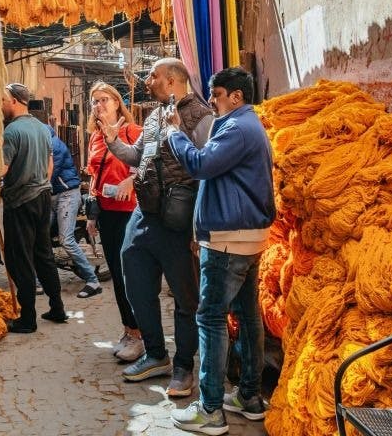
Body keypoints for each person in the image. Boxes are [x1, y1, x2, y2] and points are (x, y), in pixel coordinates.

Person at [165, 67, 275, 434]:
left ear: (236, 97)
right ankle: (250, 397)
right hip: (245, 236)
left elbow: (201, 164)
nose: (211, 101)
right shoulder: (245, 125)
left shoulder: (237, 128)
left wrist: (174, 133)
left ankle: (210, 409)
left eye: (217, 94)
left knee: (210, 318)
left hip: (229, 238)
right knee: (247, 315)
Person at [99, 58, 214, 398]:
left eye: (153, 75)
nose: (147, 81)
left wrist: (198, 229)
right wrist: (111, 141)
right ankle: (155, 355)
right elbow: (137, 157)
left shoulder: (201, 116)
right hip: (145, 214)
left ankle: (183, 368)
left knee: (185, 298)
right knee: (133, 279)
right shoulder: (152, 116)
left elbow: (209, 170)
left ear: (174, 81)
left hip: (179, 220)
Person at [1, 82, 67, 333]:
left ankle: (27, 318)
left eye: (3, 100)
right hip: (42, 197)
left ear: (15, 101)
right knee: (44, 255)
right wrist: (42, 183)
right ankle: (57, 307)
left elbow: (1, 168)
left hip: (20, 201)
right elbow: (50, 163)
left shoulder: (12, 132)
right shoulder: (42, 127)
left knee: (20, 260)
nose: (1, 105)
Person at [85, 81, 144, 361]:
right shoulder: (95, 137)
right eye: (95, 101)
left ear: (118, 103)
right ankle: (128, 331)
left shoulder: (133, 132)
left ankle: (141, 335)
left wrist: (131, 181)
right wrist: (91, 214)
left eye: (105, 99)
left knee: (130, 276)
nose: (99, 105)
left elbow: (149, 166)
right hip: (106, 213)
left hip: (130, 213)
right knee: (117, 280)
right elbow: (93, 177)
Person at [47, 123, 102, 298]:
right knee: (38, 235)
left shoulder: (54, 145)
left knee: (66, 239)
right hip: (52, 196)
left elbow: (50, 174)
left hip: (67, 195)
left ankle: (93, 280)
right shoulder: (45, 143)